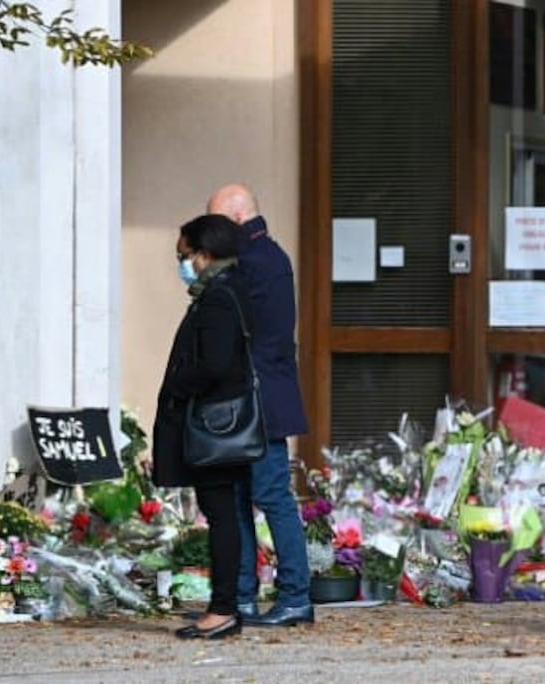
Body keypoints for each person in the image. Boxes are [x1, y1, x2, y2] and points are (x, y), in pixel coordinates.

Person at [206, 183, 313, 627]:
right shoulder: (267, 257)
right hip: (256, 398)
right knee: (240, 497)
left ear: (234, 219)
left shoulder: (252, 263)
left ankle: (294, 595)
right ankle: (244, 596)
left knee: (269, 495)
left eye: (213, 225)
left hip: (258, 401)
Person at [152, 214, 256, 640]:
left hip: (212, 426)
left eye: (184, 255)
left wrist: (176, 383)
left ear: (205, 254)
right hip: (218, 423)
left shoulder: (217, 298)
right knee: (223, 513)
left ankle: (223, 609)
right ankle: (225, 605)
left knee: (221, 515)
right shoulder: (226, 291)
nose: (181, 264)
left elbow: (213, 364)